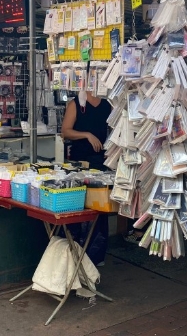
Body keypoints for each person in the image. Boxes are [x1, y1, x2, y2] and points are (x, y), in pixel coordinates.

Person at [61, 90, 112, 266]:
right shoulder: (76, 104)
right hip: (80, 163)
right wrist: (87, 135)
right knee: (79, 206)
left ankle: (95, 256)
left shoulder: (107, 104)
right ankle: (75, 252)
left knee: (99, 208)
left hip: (101, 162)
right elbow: (65, 132)